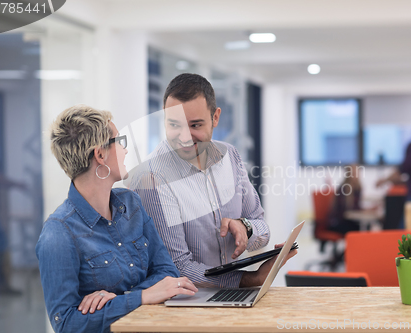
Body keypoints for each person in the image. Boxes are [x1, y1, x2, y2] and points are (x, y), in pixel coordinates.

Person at [36, 105, 197, 333]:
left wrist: (123, 299)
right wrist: (143, 296)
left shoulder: (131, 204)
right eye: (119, 141)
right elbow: (66, 324)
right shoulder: (58, 233)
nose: (125, 150)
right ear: (100, 155)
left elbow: (168, 272)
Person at [130, 73, 294, 288]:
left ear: (215, 117)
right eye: (174, 125)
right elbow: (178, 267)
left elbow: (262, 227)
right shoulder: (151, 177)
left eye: (195, 125)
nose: (184, 137)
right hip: (188, 304)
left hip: (230, 298)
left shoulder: (229, 156)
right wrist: (250, 279)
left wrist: (245, 227)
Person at [328, 165, 362, 235]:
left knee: (360, 227)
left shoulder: (357, 188)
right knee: (357, 229)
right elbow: (347, 210)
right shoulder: (344, 189)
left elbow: (356, 207)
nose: (357, 175)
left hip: (348, 222)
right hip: (338, 222)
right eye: (354, 173)